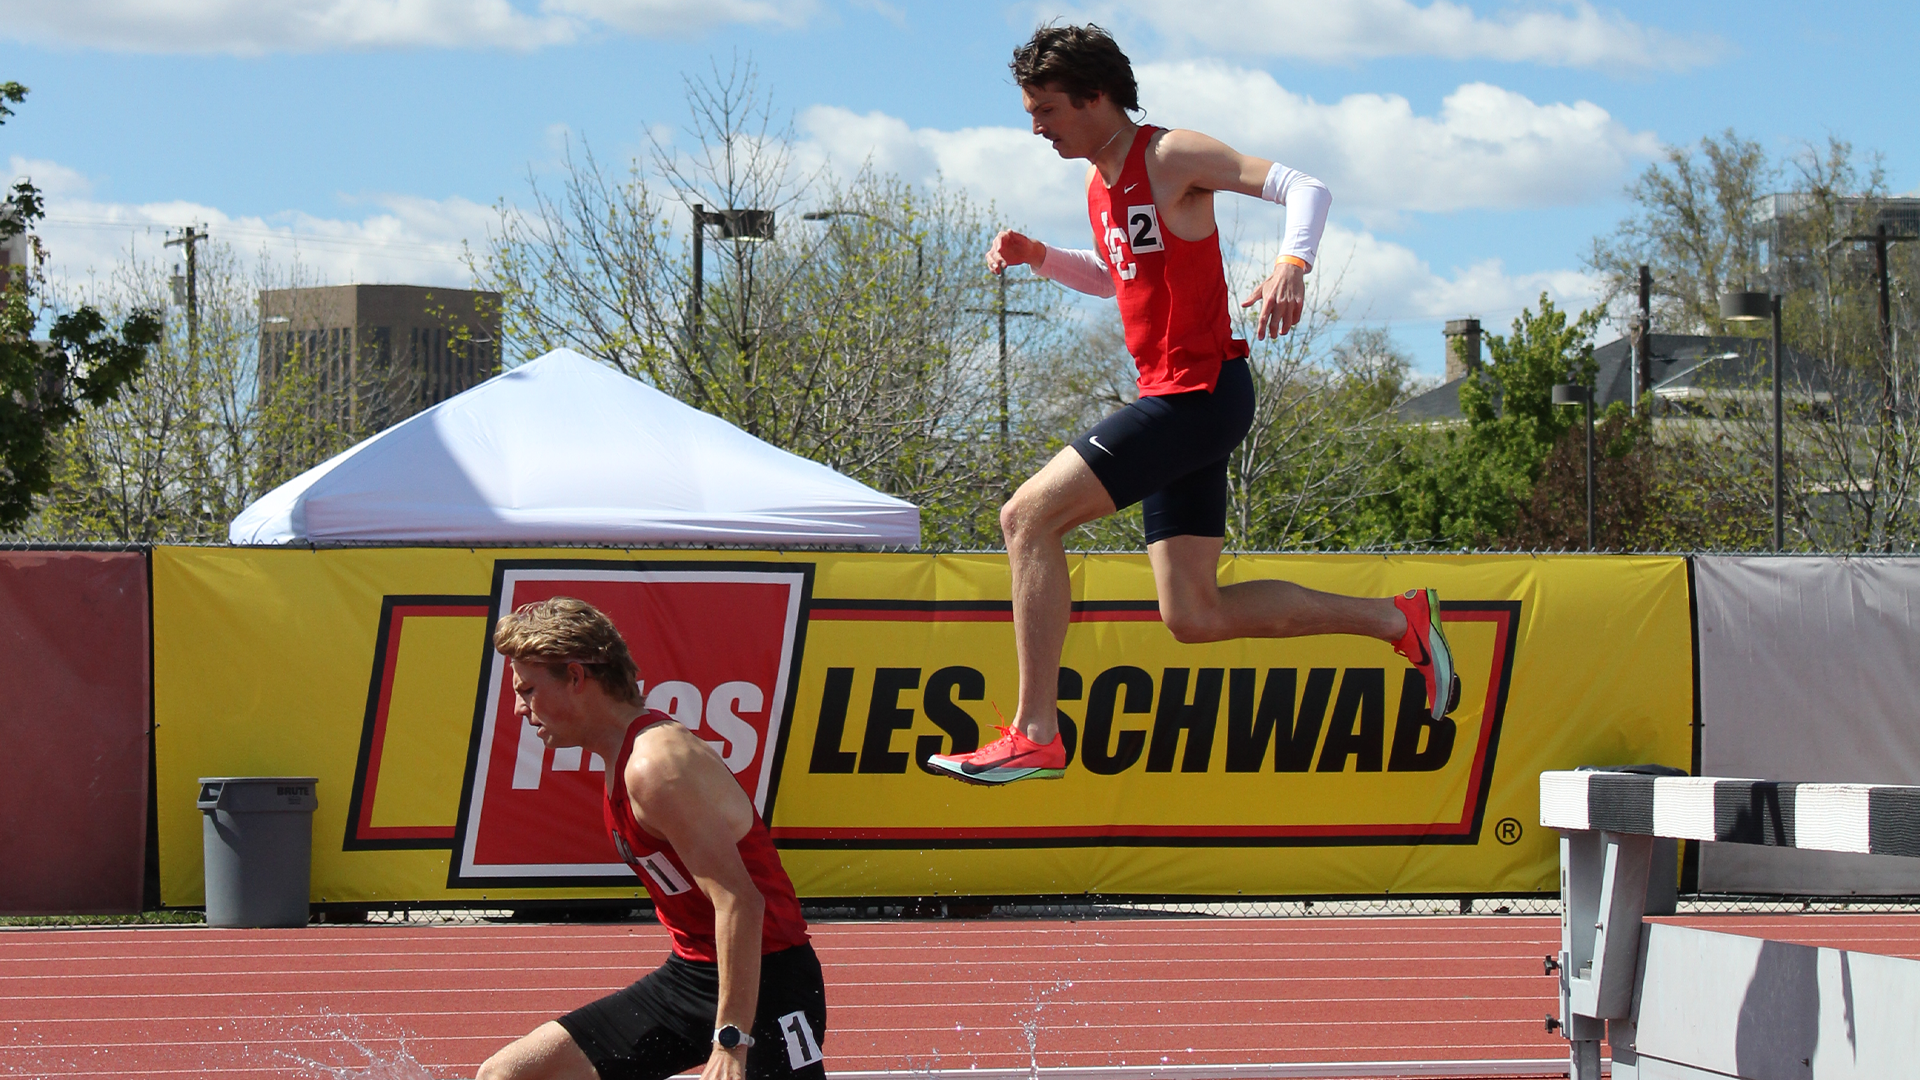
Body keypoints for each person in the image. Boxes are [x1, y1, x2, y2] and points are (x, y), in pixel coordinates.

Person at [927, 25, 1457, 787]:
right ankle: (1395, 621)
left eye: (1046, 110)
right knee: (1195, 615)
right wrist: (1040, 256)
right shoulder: (1099, 182)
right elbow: (1118, 276)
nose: (1036, 128)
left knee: (1026, 517)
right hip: (1181, 401)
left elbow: (1307, 186)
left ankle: (1035, 731)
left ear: (1096, 96)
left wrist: (1292, 265)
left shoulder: (1169, 156)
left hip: (1199, 395)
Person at [477, 598, 827, 1080]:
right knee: (511, 1075)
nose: (519, 708)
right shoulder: (623, 756)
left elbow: (741, 902)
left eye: (528, 689)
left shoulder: (656, 765)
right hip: (693, 975)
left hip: (768, 981)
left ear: (576, 677)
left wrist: (730, 1040)